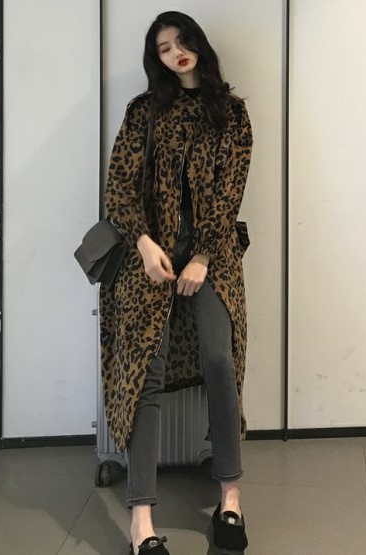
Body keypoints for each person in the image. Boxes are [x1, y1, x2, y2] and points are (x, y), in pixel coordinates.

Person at [99, 10, 253, 555]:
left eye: (183, 41)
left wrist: (204, 257)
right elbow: (119, 187)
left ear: (199, 44)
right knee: (146, 368)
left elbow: (230, 193)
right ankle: (142, 519)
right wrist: (144, 243)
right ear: (157, 59)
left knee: (219, 359)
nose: (176, 52)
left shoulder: (230, 113)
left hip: (213, 258)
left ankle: (230, 496)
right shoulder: (144, 112)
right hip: (151, 257)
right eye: (164, 48)